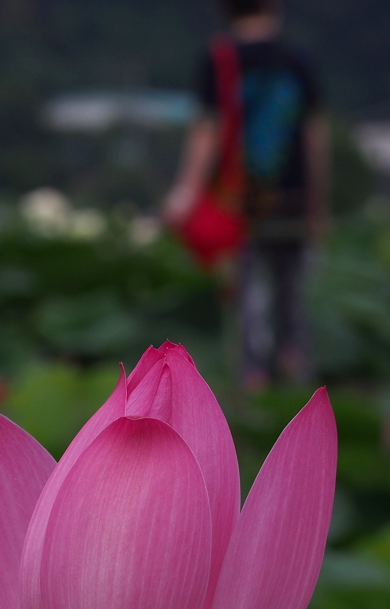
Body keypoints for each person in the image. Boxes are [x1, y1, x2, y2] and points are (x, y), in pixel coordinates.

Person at [164, 0, 329, 391]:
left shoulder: (221, 59)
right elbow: (315, 139)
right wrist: (318, 203)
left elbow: (209, 129)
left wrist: (185, 190)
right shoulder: (297, 61)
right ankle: (296, 370)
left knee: (248, 292)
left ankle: (252, 379)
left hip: (238, 200)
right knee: (291, 292)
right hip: (292, 200)